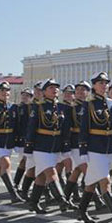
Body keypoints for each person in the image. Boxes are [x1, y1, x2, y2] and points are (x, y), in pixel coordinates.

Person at [77, 72, 112, 223]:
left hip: (110, 148)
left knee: (92, 182)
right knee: (104, 181)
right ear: (94, 85)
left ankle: (82, 211)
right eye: (100, 83)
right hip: (95, 148)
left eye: (106, 83)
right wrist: (83, 151)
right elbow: (84, 129)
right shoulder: (88, 104)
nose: (104, 85)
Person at [23, 79, 73, 213]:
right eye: (51, 87)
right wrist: (28, 147)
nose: (54, 89)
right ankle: (62, 200)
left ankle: (33, 203)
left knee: (41, 176)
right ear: (44, 91)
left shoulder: (63, 108)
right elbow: (31, 128)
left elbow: (65, 130)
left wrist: (65, 147)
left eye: (56, 87)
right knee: (51, 172)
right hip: (41, 146)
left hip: (55, 147)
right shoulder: (38, 107)